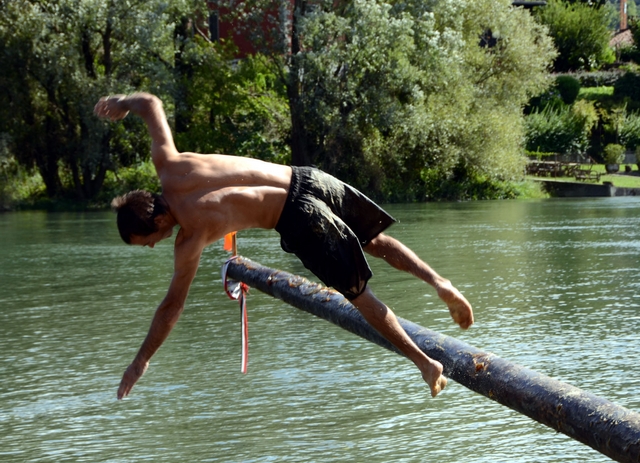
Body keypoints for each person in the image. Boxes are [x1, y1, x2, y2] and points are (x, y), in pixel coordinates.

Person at [94, 92, 474, 400]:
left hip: (297, 215)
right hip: (307, 178)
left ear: (157, 221)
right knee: (373, 240)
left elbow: (171, 307)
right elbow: (150, 104)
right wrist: (121, 102)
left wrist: (140, 361)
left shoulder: (190, 237)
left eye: (148, 240)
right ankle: (440, 282)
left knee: (359, 297)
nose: (152, 247)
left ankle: (425, 363)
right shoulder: (169, 163)